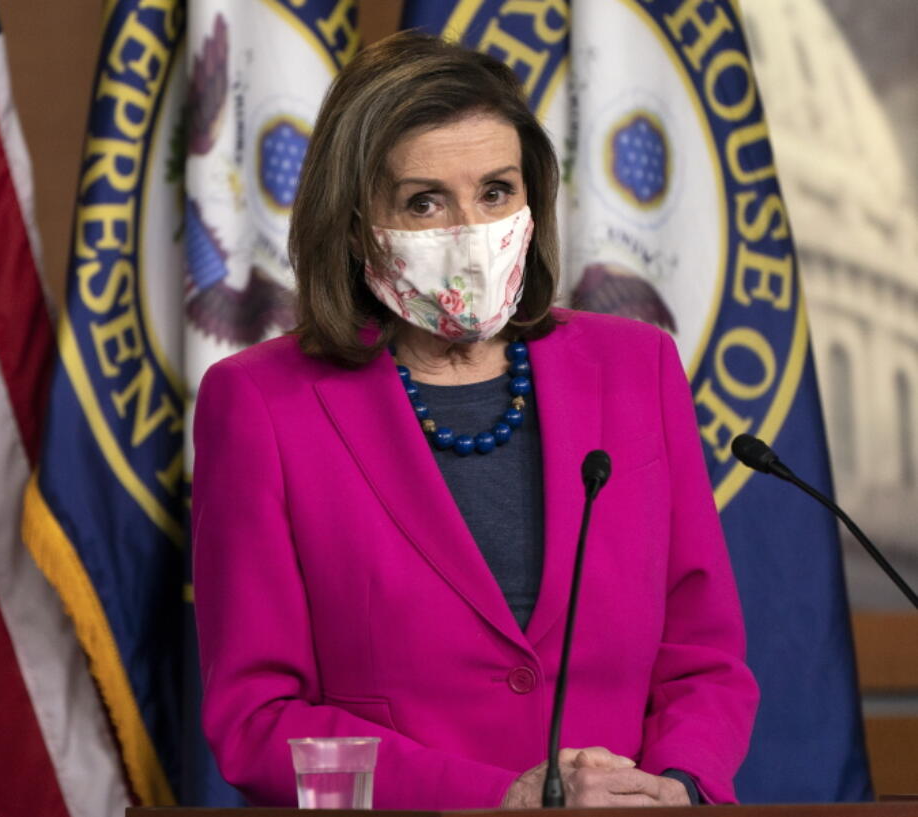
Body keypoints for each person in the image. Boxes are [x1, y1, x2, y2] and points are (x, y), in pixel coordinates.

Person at [190, 32, 758, 809]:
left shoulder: (637, 369)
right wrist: (497, 798)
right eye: (425, 201)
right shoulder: (259, 404)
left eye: (496, 192)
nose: (471, 230)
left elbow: (702, 658)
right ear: (356, 225)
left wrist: (678, 787)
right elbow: (259, 722)